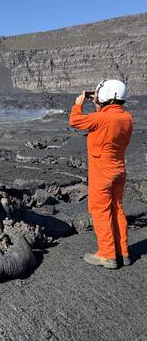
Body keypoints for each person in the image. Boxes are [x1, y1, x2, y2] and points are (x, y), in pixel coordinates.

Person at [69, 79, 133, 269]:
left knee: (100, 211)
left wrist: (78, 104)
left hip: (102, 172)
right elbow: (107, 123)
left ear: (105, 95)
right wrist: (99, 106)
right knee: (117, 209)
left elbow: (75, 121)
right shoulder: (127, 118)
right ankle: (123, 252)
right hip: (119, 170)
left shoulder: (100, 119)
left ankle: (107, 254)